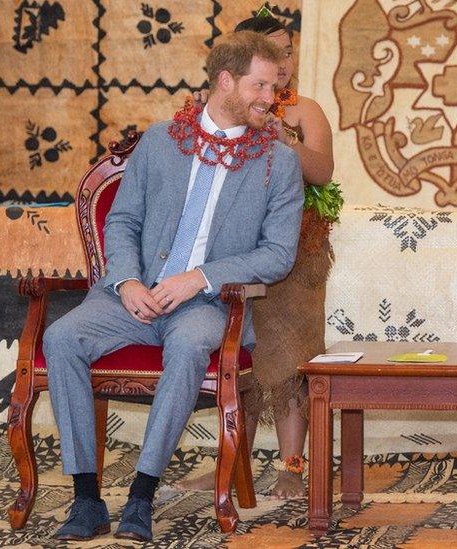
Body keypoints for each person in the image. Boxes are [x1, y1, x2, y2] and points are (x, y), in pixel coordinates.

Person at [43, 31, 304, 541]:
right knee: (60, 338)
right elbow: (121, 222)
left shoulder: (279, 163)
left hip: (206, 305)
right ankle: (86, 499)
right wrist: (126, 282)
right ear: (225, 81)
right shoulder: (161, 141)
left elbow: (277, 255)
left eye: (273, 88)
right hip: (134, 297)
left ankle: (141, 496)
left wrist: (200, 277)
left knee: (186, 345)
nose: (269, 99)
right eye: (260, 86)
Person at [180, 10, 335, 499]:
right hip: (236, 250)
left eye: (288, 52)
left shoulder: (304, 109)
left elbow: (323, 172)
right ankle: (233, 464)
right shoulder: (230, 105)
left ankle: (292, 467)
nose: (284, 62)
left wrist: (284, 139)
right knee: (238, 354)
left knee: (291, 358)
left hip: (296, 250)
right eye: (272, 53)